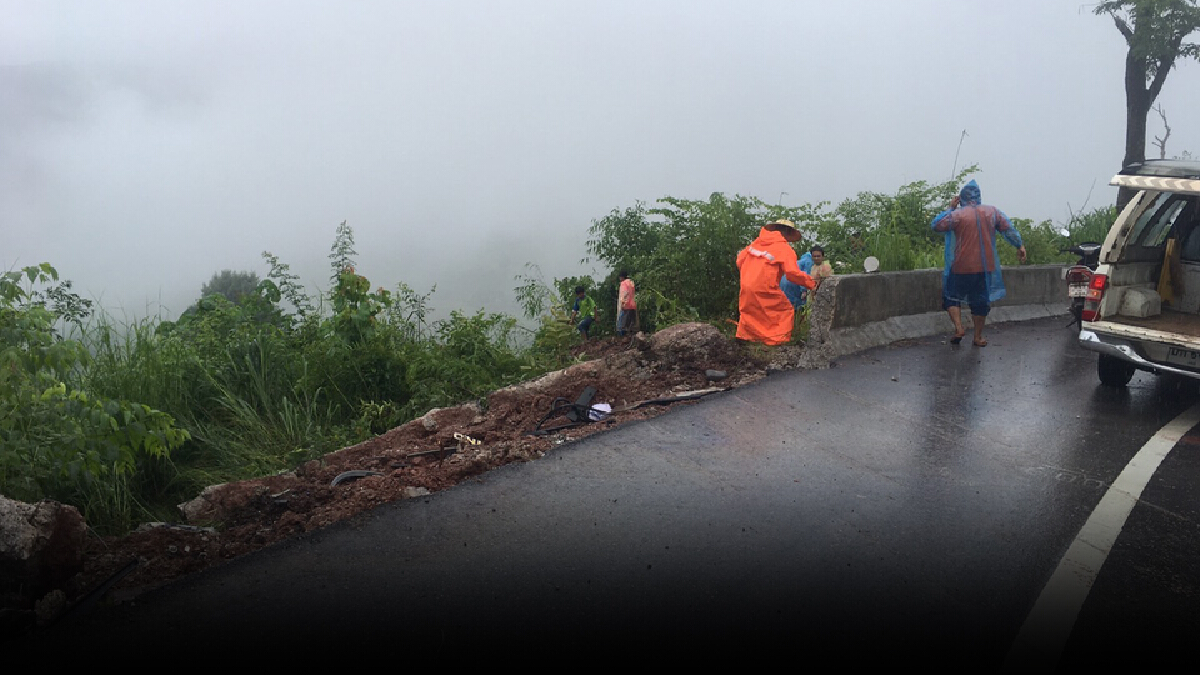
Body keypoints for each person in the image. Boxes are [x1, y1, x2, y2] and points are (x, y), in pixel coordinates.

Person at [931, 179, 1026, 347]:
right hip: (984, 266)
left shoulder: (958, 215)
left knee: (951, 296)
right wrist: (1019, 245)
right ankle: (978, 336)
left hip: (961, 265)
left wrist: (951, 207)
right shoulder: (992, 212)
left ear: (962, 197)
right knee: (980, 301)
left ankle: (959, 328)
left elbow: (937, 225)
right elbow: (1008, 230)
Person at [735, 219, 817, 345]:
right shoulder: (784, 249)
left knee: (751, 311)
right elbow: (792, 274)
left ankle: (749, 338)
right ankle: (778, 341)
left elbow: (739, 261)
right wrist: (812, 283)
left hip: (746, 286)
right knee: (784, 310)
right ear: (788, 233)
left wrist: (752, 274)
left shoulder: (754, 244)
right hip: (764, 287)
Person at [616, 271, 637, 337]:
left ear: (622, 277)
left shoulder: (623, 283)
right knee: (631, 324)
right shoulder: (631, 282)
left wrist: (622, 304)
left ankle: (623, 339)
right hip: (633, 305)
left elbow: (624, 294)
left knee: (622, 325)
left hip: (626, 306)